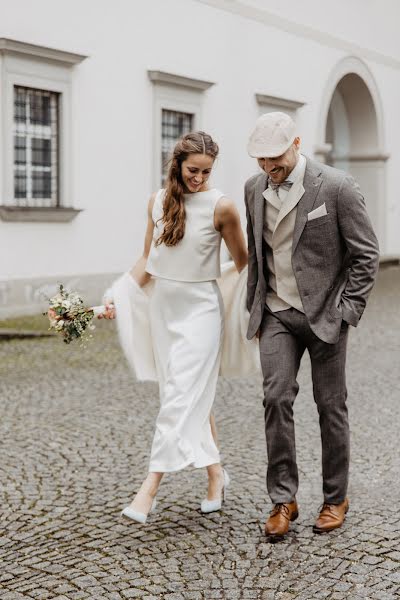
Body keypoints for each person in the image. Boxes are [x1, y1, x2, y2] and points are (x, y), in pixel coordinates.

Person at [244, 112, 379, 540]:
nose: (269, 168)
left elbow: (366, 255)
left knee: (330, 406)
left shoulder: (336, 186)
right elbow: (256, 253)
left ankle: (335, 497)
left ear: (297, 143)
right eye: (261, 160)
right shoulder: (253, 189)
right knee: (275, 398)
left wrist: (347, 311)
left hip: (325, 315)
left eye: (275, 158)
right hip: (277, 312)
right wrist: (256, 306)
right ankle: (283, 499)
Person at [102, 131, 249, 523]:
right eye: (192, 171)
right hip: (163, 313)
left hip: (202, 311)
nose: (199, 179)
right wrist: (117, 296)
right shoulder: (157, 202)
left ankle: (148, 489)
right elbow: (147, 264)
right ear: (177, 165)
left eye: (207, 171)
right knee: (189, 394)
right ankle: (217, 476)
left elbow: (243, 262)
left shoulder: (223, 207)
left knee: (179, 398)